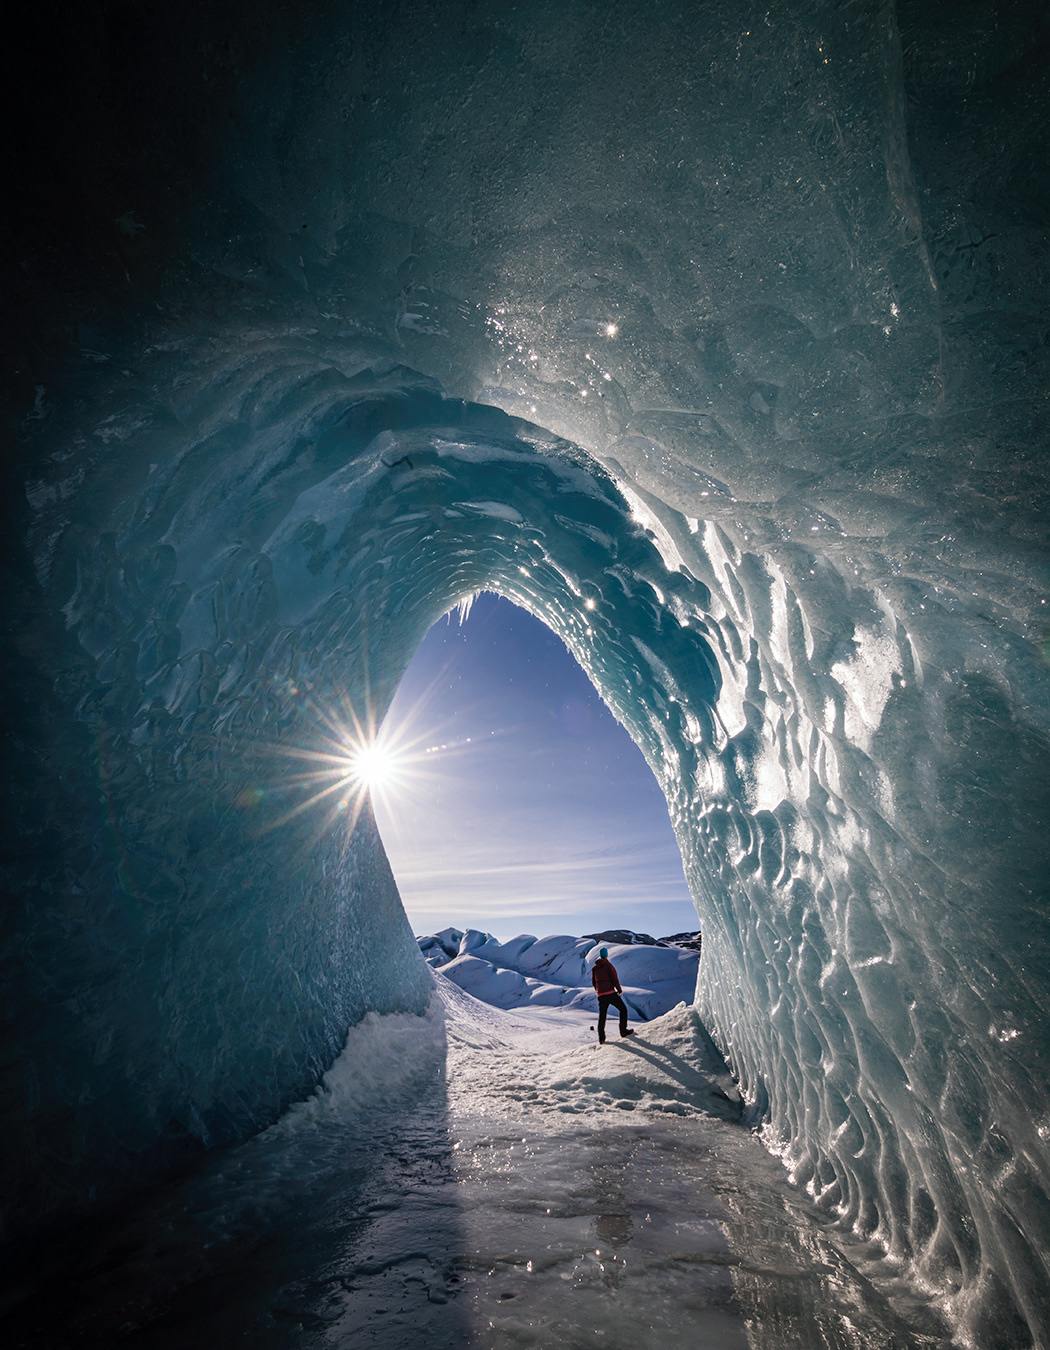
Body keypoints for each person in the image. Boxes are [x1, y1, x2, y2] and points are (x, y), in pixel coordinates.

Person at [591, 947, 635, 1044]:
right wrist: (619, 990)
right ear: (606, 955)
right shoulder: (608, 965)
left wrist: (599, 991)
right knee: (623, 1009)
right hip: (610, 993)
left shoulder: (594, 968)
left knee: (602, 1016)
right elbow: (614, 978)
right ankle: (623, 1031)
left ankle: (601, 1038)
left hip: (601, 995)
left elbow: (594, 982)